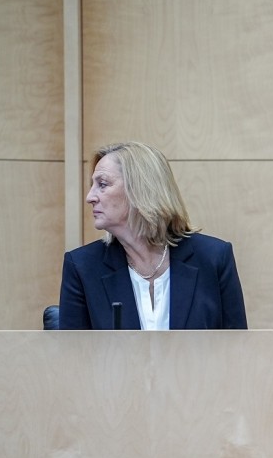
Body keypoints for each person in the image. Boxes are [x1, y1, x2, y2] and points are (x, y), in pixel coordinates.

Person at [60, 141, 247, 329]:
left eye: (102, 184)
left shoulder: (213, 258)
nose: (89, 197)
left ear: (140, 189)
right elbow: (73, 355)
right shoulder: (82, 267)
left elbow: (238, 350)